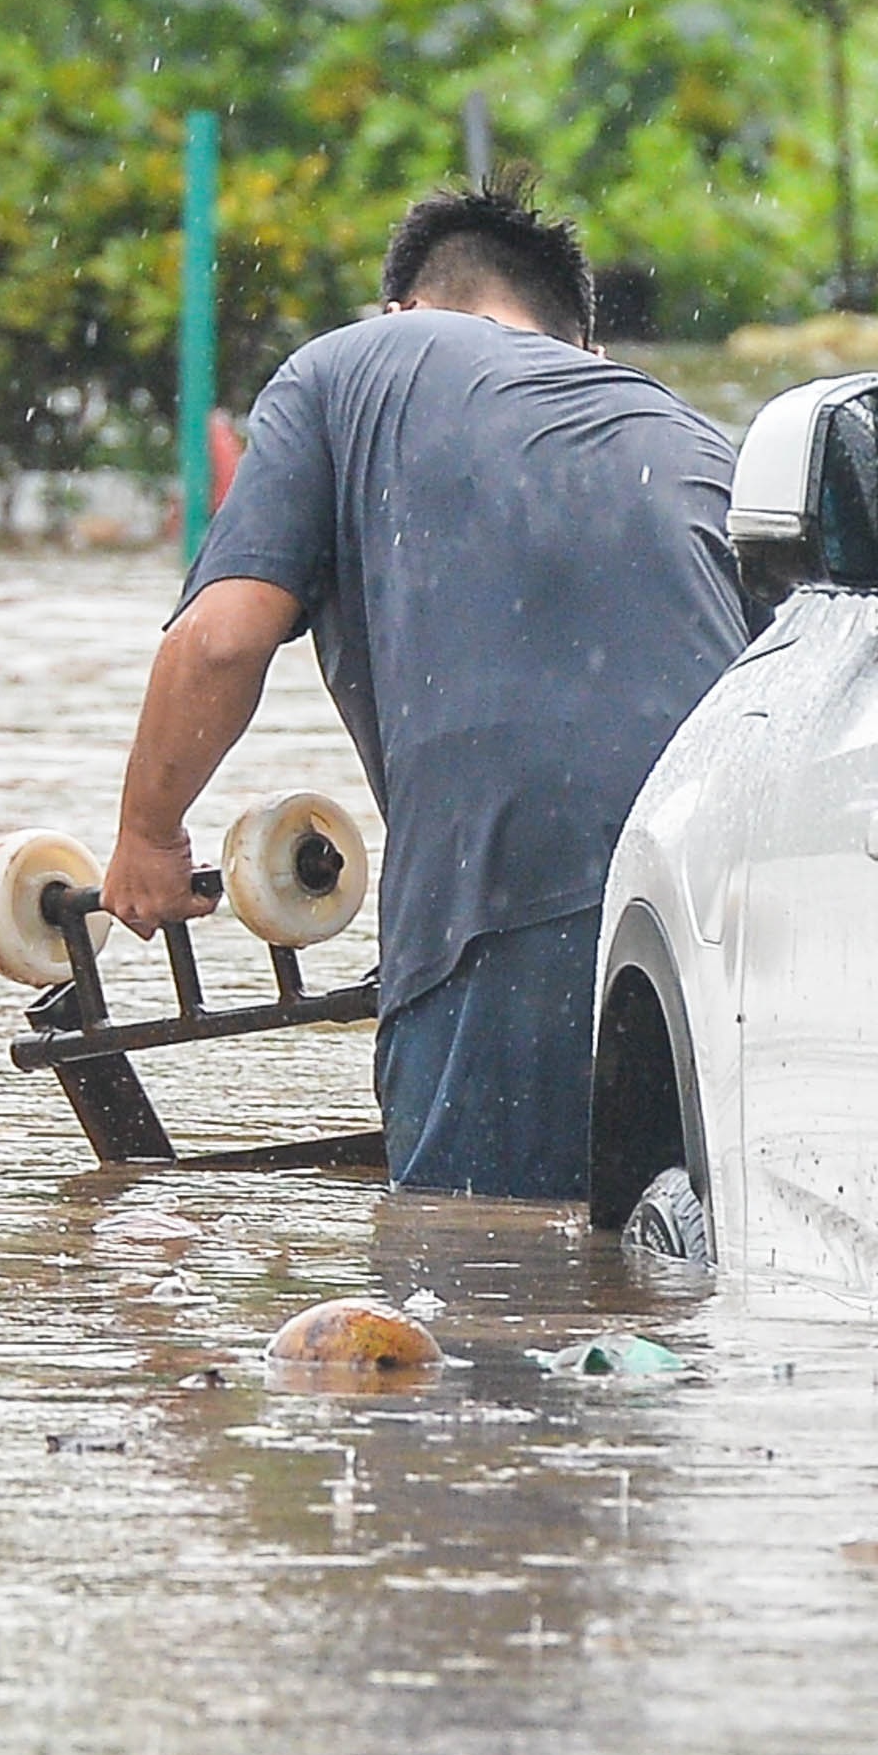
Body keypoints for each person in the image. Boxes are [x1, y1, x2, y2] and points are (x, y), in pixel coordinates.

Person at [104, 188, 737, 1199]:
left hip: (509, 889)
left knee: (475, 1267)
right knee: (683, 1263)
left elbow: (222, 642)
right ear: (585, 351)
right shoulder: (698, 439)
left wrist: (148, 834)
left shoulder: (346, 366)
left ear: (400, 309)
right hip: (738, 888)